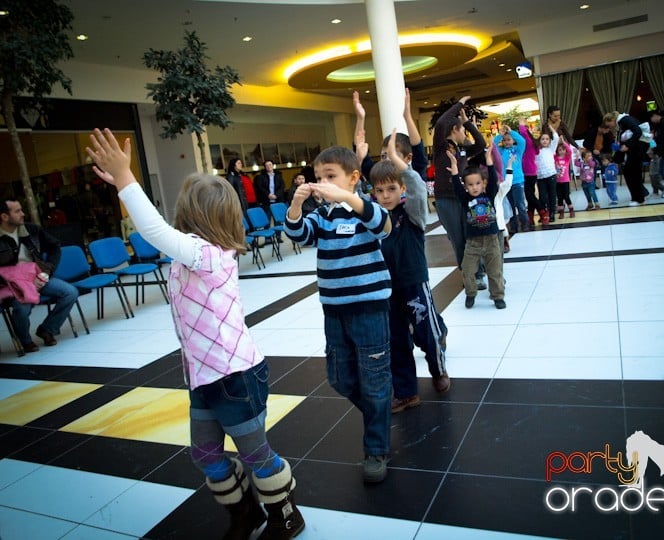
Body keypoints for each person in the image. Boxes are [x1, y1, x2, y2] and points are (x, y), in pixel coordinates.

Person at [86, 128, 305, 540]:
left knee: (257, 455)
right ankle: (246, 513)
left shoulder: (207, 254)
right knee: (205, 455)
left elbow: (154, 231)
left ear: (195, 213)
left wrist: (126, 180)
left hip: (235, 376)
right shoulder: (191, 252)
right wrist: (121, 182)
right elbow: (160, 235)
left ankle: (286, 515)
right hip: (204, 377)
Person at [283, 145, 393, 484]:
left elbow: (383, 225)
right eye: (319, 178)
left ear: (353, 178)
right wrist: (296, 206)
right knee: (339, 378)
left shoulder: (365, 210)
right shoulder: (323, 216)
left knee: (374, 380)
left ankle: (376, 448)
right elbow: (300, 235)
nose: (323, 184)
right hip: (333, 310)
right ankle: (381, 414)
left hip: (369, 309)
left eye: (330, 177)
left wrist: (351, 199)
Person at [369, 130, 450, 414]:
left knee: (427, 333)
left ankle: (438, 369)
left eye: (391, 189)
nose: (385, 196)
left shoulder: (413, 211)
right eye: (379, 191)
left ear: (401, 189)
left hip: (414, 283)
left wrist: (398, 162)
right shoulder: (375, 217)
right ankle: (406, 393)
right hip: (385, 287)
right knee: (396, 340)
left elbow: (416, 184)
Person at [0, 201, 79, 353]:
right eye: (17, 211)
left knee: (70, 292)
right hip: (12, 284)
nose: (22, 214)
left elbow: (55, 246)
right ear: (4, 216)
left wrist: (47, 272)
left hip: (37, 275)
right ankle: (25, 341)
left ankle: (47, 329)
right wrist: (13, 283)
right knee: (21, 309)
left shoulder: (31, 229)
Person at [431, 95, 488, 289]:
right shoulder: (441, 147)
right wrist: (460, 104)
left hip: (463, 197)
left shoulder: (463, 150)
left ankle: (478, 273)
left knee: (471, 235)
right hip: (445, 200)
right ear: (454, 130)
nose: (464, 132)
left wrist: (468, 124)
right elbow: (440, 123)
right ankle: (469, 275)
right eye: (462, 129)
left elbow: (480, 145)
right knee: (458, 238)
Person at [449, 142, 506, 310]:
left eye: (477, 183)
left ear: (483, 184)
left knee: (494, 271)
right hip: (472, 243)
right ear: (466, 187)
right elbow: (457, 188)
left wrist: (489, 159)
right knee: (467, 270)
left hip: (491, 240)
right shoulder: (465, 199)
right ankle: (471, 293)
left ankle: (497, 296)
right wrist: (454, 170)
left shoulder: (489, 194)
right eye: (470, 185)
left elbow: (494, 179)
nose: (474, 187)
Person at [603, 111, 647, 206]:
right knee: (630, 172)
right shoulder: (623, 122)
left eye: (609, 124)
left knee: (633, 174)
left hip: (636, 151)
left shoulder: (625, 120)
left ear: (612, 120)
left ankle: (639, 199)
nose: (610, 127)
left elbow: (638, 132)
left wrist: (627, 145)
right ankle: (638, 197)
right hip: (635, 151)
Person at [493, 125, 530, 232]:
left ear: (513, 140)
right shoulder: (500, 151)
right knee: (510, 205)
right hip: (506, 183)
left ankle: (525, 222)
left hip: (518, 181)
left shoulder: (518, 150)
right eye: (505, 140)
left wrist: (511, 132)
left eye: (509, 140)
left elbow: (522, 141)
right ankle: (514, 226)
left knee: (520, 204)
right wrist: (500, 135)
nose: (507, 142)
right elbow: (493, 145)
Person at [525, 117, 559, 223]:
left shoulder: (551, 149)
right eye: (542, 139)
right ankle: (544, 213)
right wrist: (528, 131)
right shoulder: (536, 150)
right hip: (540, 176)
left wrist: (551, 128)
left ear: (549, 141)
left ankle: (552, 213)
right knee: (542, 196)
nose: (544, 141)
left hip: (551, 175)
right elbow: (531, 141)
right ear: (539, 140)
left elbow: (556, 138)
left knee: (552, 195)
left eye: (547, 139)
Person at [554, 140, 574, 218]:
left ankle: (571, 210)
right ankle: (561, 212)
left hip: (565, 181)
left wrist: (563, 142)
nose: (561, 151)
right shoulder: (555, 158)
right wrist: (556, 143)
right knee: (559, 197)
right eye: (560, 150)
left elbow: (569, 151)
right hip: (557, 181)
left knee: (566, 196)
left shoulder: (567, 158)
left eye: (563, 150)